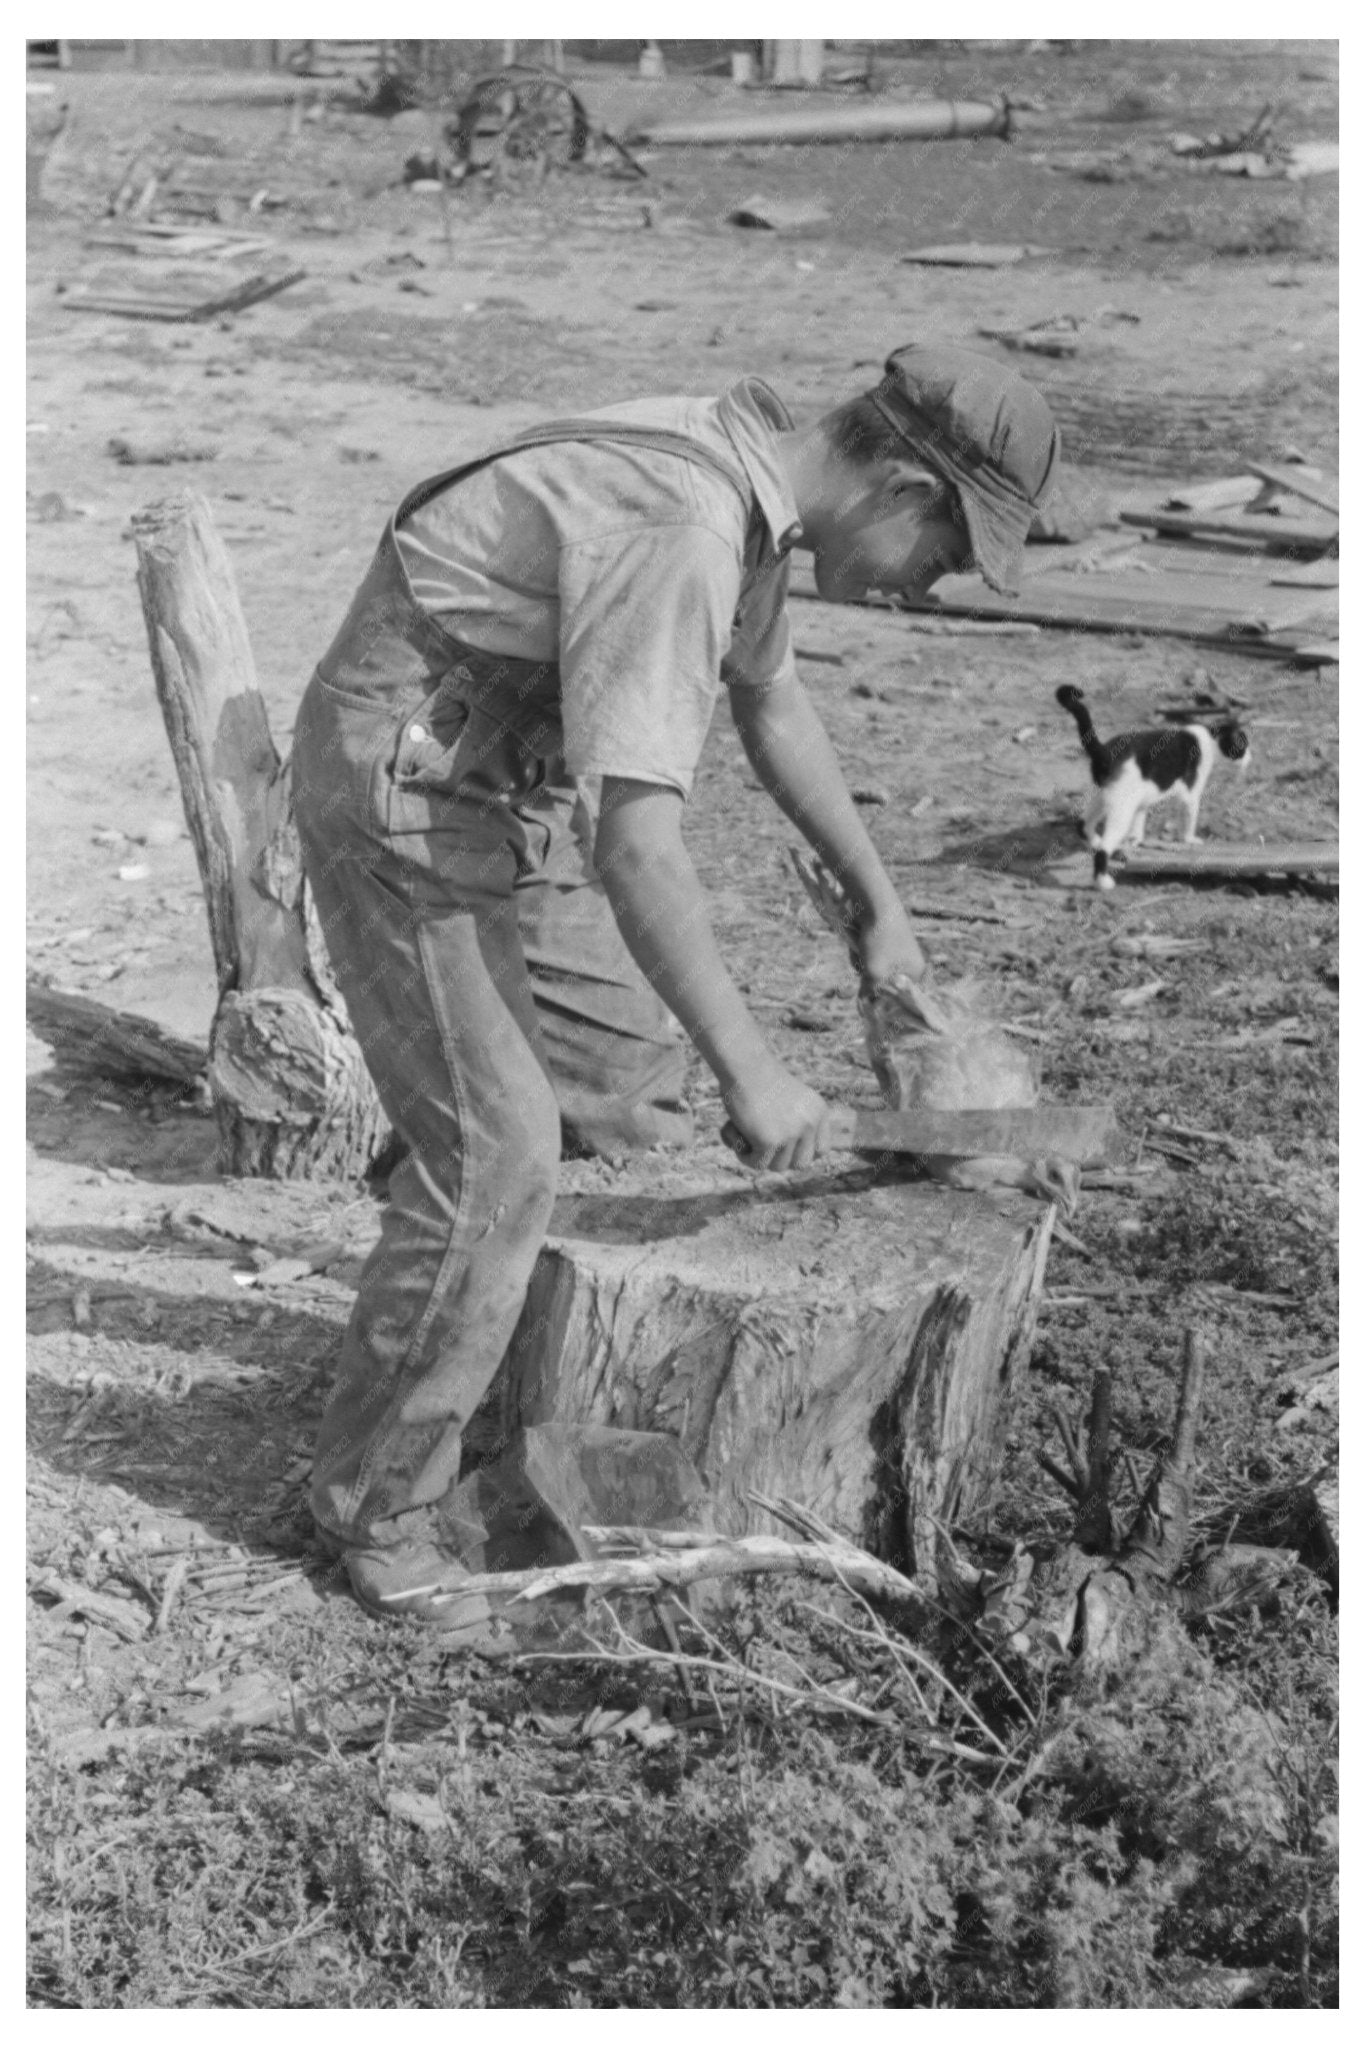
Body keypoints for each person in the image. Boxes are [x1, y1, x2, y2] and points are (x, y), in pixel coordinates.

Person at [290, 343, 1061, 1624]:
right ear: (905, 491)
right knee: (498, 1154)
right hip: (402, 790)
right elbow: (636, 845)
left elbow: (776, 708)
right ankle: (379, 1508)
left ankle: (526, 1378)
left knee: (621, 1087)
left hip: (495, 781)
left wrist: (883, 911)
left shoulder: (755, 496)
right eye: (944, 558)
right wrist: (753, 1071)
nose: (928, 591)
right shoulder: (690, 528)